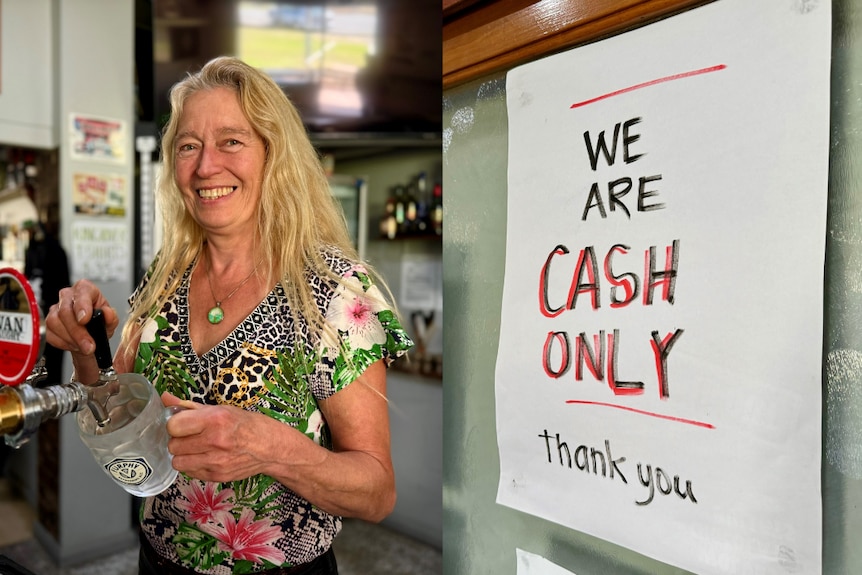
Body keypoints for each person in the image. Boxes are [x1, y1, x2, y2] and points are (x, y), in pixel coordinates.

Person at [45, 56, 413, 575]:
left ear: (273, 154)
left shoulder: (333, 291)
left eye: (231, 141)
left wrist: (271, 449)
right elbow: (119, 412)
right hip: (158, 563)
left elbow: (377, 492)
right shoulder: (167, 276)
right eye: (188, 146)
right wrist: (90, 349)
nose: (204, 166)